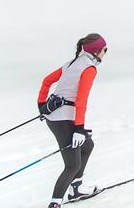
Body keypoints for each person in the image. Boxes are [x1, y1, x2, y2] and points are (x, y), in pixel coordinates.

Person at [37, 33, 107, 208]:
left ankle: (76, 189)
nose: (106, 52)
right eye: (105, 49)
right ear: (97, 51)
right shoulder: (89, 68)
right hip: (64, 120)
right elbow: (81, 100)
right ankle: (55, 204)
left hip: (55, 115)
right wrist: (79, 129)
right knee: (72, 165)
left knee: (87, 146)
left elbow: (46, 81)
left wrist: (42, 106)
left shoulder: (72, 63)